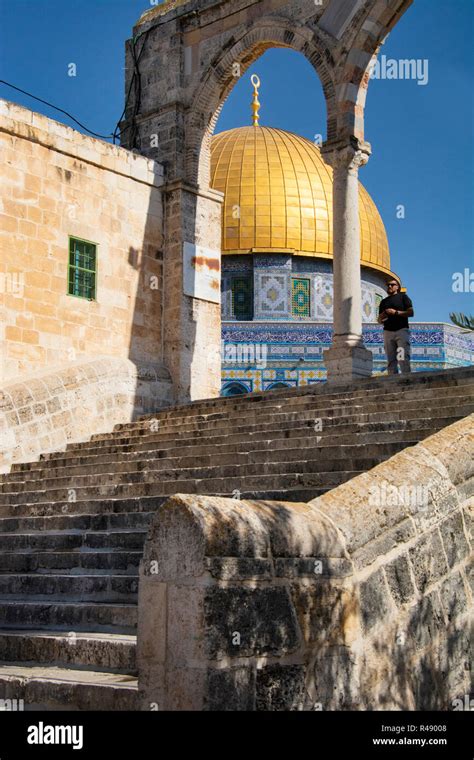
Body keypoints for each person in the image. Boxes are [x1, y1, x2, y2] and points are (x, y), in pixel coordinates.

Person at [378, 278, 414, 374]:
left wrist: (396, 312)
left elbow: (411, 313)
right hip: (388, 332)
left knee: (403, 357)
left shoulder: (403, 297)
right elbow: (379, 320)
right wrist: (381, 316)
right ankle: (392, 380)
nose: (389, 286)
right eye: (388, 285)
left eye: (392, 285)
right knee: (391, 359)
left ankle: (406, 378)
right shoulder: (383, 302)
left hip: (401, 331)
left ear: (397, 287)